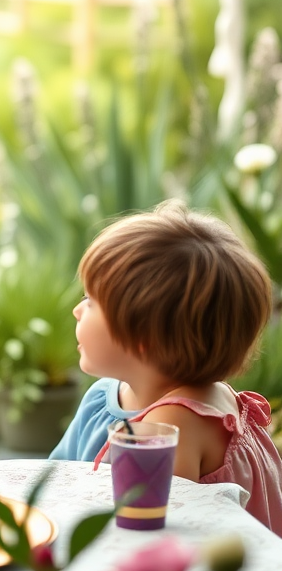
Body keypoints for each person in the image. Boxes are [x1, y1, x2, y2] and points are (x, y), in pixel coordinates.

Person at [51, 202, 282, 533]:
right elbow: (52, 480)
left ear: (141, 334)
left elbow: (149, 540)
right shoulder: (102, 397)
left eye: (90, 301)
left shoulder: (172, 427)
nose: (76, 310)